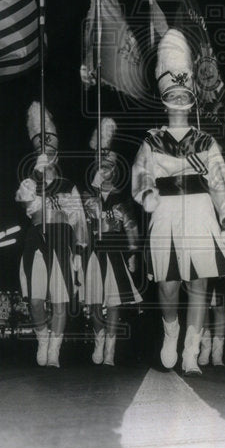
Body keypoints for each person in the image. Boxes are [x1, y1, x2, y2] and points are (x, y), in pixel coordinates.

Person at [132, 29, 225, 375]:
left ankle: (192, 349)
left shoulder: (206, 141)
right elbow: (140, 172)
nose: (179, 99)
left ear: (192, 97)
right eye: (173, 94)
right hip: (165, 212)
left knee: (199, 283)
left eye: (184, 94)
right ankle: (171, 330)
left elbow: (221, 183)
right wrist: (147, 191)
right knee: (167, 284)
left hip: (199, 211)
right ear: (165, 99)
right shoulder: (152, 140)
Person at [16, 102, 89, 368]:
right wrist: (37, 178)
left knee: (60, 300)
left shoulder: (69, 186)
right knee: (36, 300)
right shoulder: (28, 183)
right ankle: (42, 337)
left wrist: (79, 250)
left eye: (50, 152)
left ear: (57, 155)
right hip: (36, 239)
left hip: (62, 240)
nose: (47, 156)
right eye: (41, 151)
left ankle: (54, 349)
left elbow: (78, 219)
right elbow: (27, 204)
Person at [81, 118, 142, 366]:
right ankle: (99, 338)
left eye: (109, 167)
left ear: (115, 170)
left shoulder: (122, 198)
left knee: (115, 302)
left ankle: (110, 349)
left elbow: (131, 227)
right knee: (94, 302)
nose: (105, 171)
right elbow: (81, 226)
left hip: (116, 252)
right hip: (94, 252)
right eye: (101, 166)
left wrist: (134, 253)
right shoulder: (87, 196)